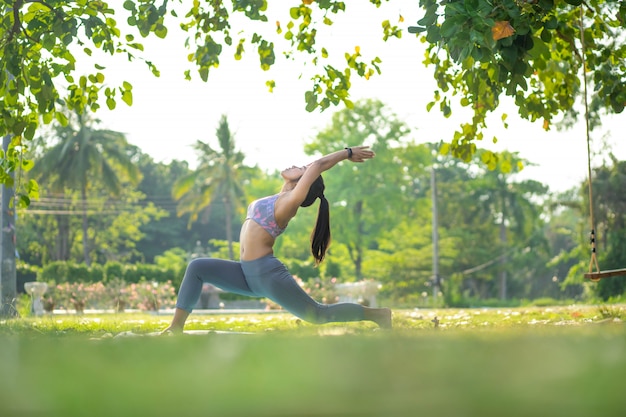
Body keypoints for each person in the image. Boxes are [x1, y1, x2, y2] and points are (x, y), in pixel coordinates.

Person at [163, 146, 392, 333]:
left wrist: (347, 153)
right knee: (197, 267)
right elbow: (311, 168)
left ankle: (378, 315)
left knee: (317, 314)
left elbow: (319, 165)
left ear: (304, 183)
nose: (296, 166)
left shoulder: (290, 203)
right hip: (246, 274)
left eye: (302, 168)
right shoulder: (279, 196)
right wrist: (302, 172)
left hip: (266, 273)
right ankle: (175, 328)